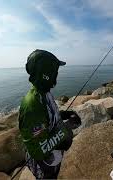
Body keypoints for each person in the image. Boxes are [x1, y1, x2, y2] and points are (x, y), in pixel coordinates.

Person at [18, 49, 81, 179]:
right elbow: (39, 150)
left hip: (54, 157)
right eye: (54, 71)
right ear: (46, 73)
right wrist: (66, 128)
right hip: (44, 165)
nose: (56, 74)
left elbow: (46, 117)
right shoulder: (32, 105)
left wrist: (62, 115)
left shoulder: (44, 92)